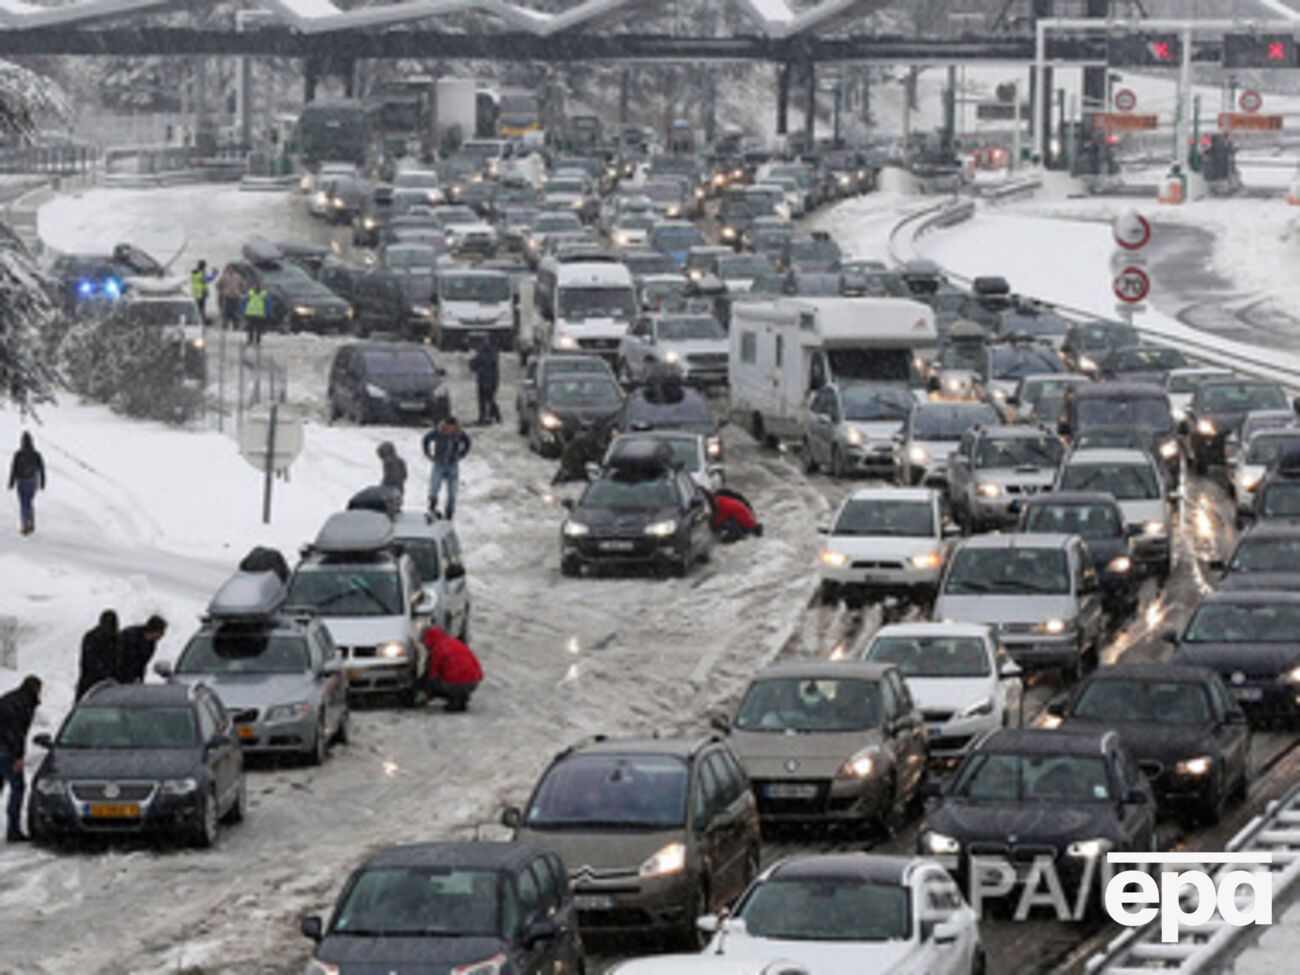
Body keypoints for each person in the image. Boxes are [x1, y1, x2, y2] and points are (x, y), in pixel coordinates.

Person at [0, 675, 41, 842]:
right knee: (18, 787)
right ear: (35, 688)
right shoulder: (25, 704)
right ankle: (13, 829)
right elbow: (18, 732)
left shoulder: (8, 699)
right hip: (7, 750)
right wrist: (18, 756)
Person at [418, 625, 482, 712]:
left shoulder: (437, 650)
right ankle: (461, 697)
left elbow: (433, 675)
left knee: (432, 684)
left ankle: (454, 699)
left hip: (456, 682)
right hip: (473, 681)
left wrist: (425, 690)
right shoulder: (455, 642)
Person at [421, 416, 471, 520]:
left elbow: (467, 443)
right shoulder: (437, 433)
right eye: (448, 428)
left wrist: (461, 455)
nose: (450, 430)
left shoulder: (459, 434)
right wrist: (428, 454)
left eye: (452, 428)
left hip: (452, 466)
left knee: (452, 492)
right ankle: (432, 507)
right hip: (439, 464)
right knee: (434, 488)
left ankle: (449, 513)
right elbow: (426, 440)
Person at [76, 610, 120, 701]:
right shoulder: (92, 638)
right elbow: (90, 661)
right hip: (92, 681)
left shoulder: (116, 639)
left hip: (107, 682)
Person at [552, 420, 612, 485]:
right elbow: (590, 454)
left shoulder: (590, 441)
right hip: (573, 462)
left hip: (576, 462)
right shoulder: (585, 442)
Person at [8, 432, 45, 536]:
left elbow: (13, 469)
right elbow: (41, 469)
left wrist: (11, 482)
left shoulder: (18, 454)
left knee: (24, 504)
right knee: (29, 502)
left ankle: (25, 525)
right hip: (32, 482)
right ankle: (31, 522)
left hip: (21, 481)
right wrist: (42, 482)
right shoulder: (36, 454)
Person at [116, 615, 167, 684]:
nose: (163, 635)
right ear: (155, 630)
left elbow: (143, 663)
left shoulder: (151, 643)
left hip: (134, 679)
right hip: (119, 676)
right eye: (161, 632)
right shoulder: (130, 636)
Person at [468, 336, 502, 426]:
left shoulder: (482, 355)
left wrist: (471, 360)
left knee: (485, 400)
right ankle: (492, 417)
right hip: (491, 381)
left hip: (484, 381)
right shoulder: (493, 354)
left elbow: (473, 366)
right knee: (490, 399)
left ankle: (487, 417)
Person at [217, 264, 247, 330]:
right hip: (227, 296)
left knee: (236, 312)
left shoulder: (238, 276)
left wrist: (242, 291)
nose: (230, 270)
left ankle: (236, 325)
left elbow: (243, 284)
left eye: (231, 268)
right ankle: (225, 325)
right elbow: (218, 285)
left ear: (234, 269)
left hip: (236, 296)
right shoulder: (224, 277)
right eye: (229, 268)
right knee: (226, 312)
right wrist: (221, 291)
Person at [378, 441, 407, 506]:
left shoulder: (387, 462)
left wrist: (383, 486)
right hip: (399, 488)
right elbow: (405, 475)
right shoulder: (401, 460)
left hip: (390, 489)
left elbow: (388, 476)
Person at [190, 260, 218, 324]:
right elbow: (206, 280)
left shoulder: (195, 272)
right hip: (200, 293)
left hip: (197, 292)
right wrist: (214, 274)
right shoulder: (199, 273)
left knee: (199, 308)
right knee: (201, 308)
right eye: (205, 266)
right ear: (203, 266)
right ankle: (201, 320)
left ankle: (200, 319)